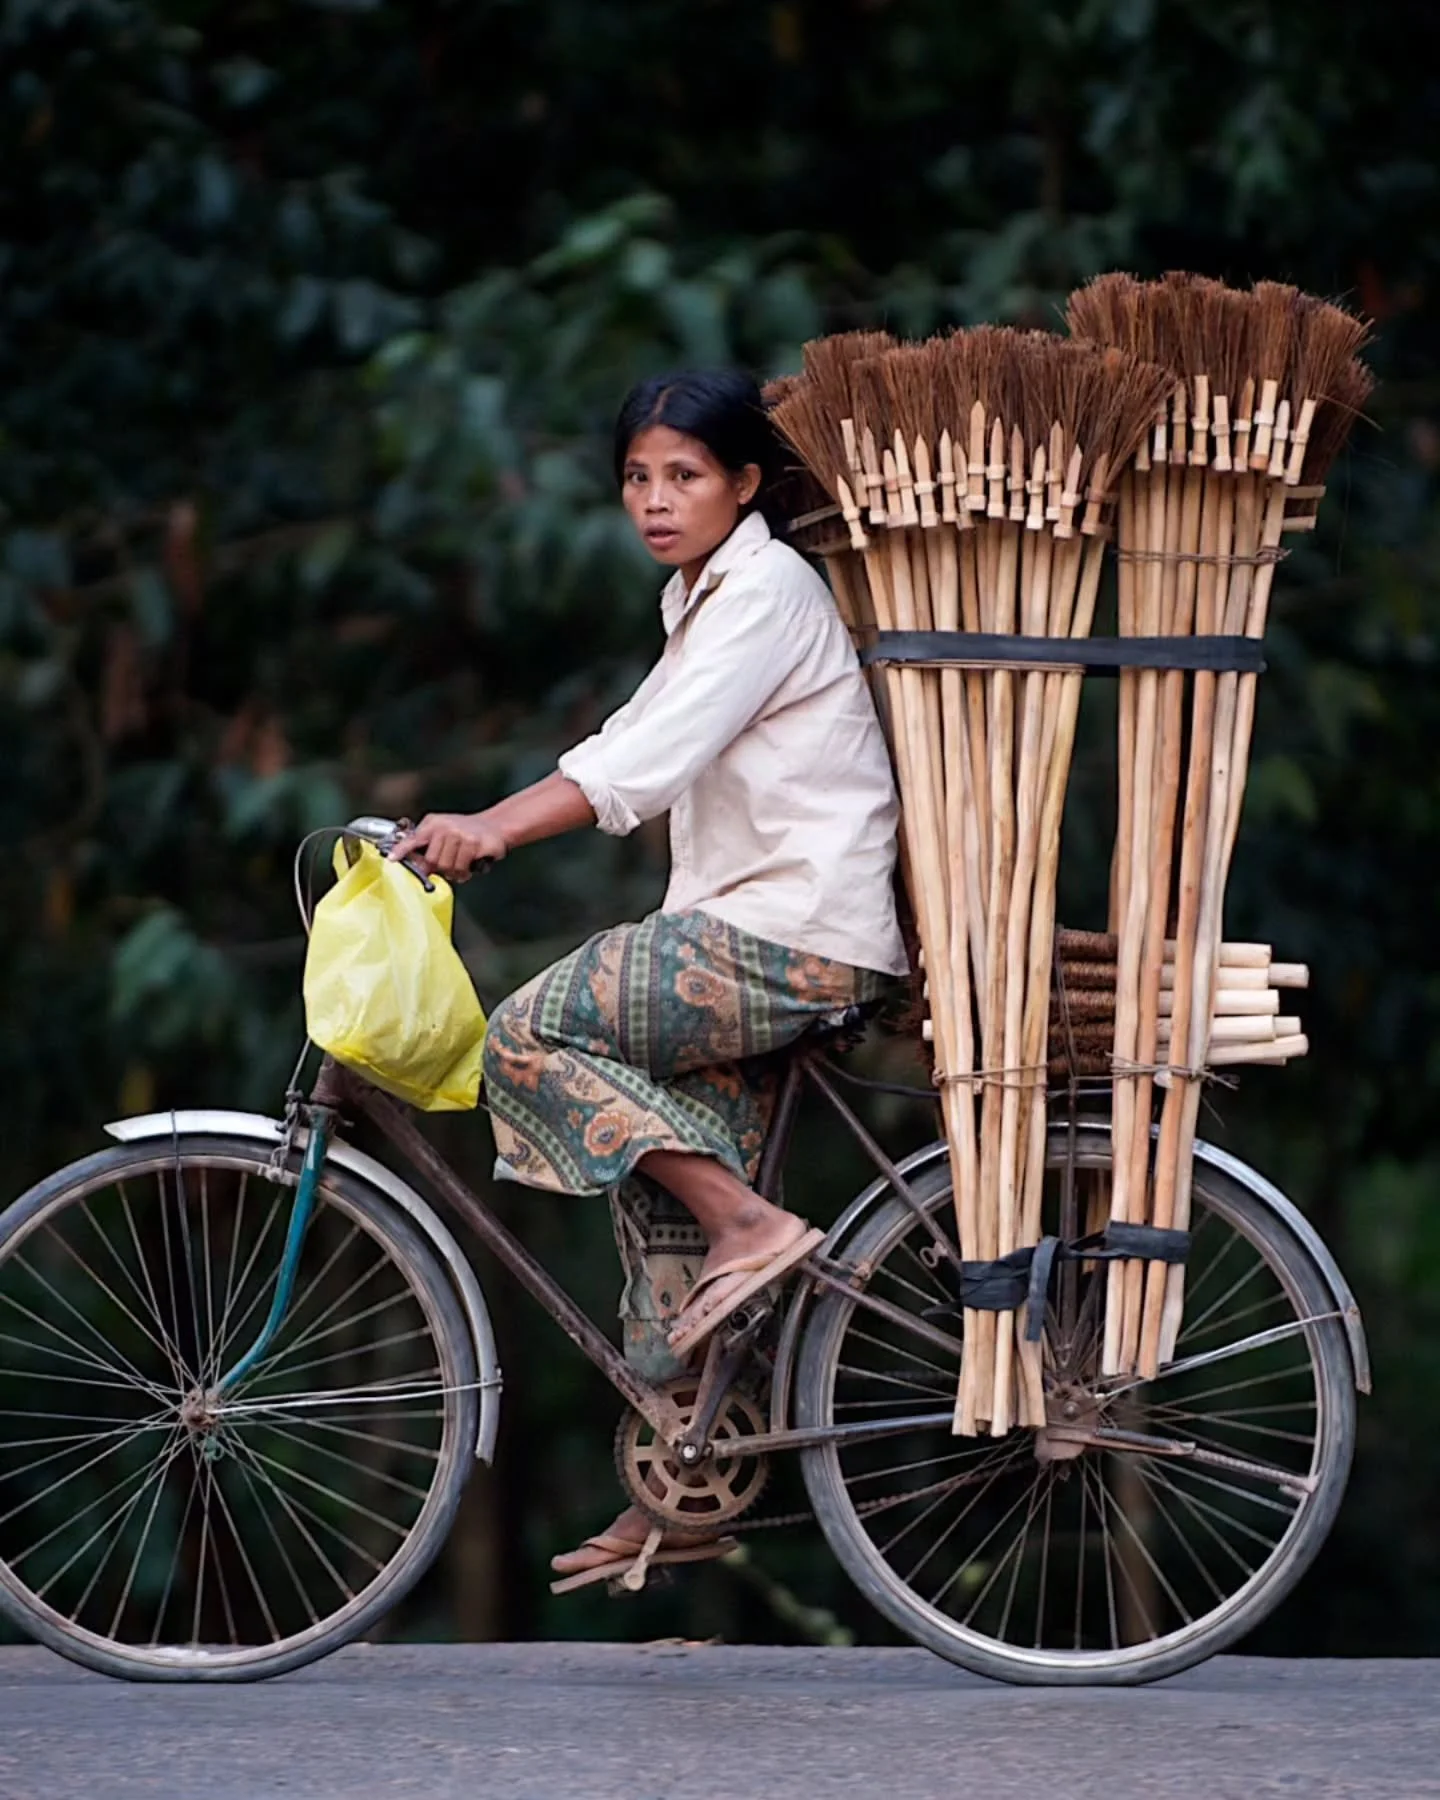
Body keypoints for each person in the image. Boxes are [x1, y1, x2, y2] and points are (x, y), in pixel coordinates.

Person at [390, 368, 908, 1586]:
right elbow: (625, 741)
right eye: (637, 477)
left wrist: (498, 830)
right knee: (662, 1201)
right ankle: (688, 1477)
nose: (656, 500)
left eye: (685, 476)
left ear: (745, 485)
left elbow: (645, 768)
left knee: (525, 1034)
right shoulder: (704, 595)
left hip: (791, 934)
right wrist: (482, 820)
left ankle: (754, 1222)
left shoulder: (767, 591)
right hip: (756, 927)